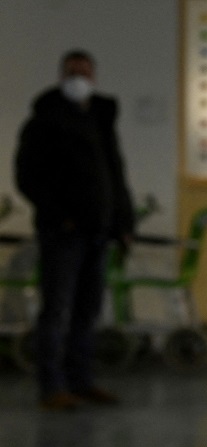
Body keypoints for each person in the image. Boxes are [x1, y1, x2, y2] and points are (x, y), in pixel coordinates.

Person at [14, 49, 134, 410]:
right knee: (57, 310)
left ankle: (82, 380)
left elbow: (115, 174)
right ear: (60, 76)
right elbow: (28, 178)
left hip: (99, 231)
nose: (77, 77)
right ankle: (52, 387)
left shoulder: (101, 119)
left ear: (94, 78)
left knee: (88, 310)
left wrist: (123, 222)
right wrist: (61, 216)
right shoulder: (43, 121)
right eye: (71, 71)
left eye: (83, 71)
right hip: (62, 234)